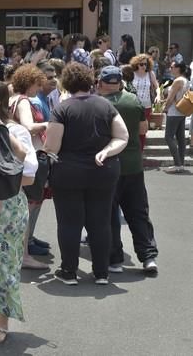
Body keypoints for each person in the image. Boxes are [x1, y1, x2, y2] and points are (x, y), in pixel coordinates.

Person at [44, 63, 129, 285]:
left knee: (69, 222)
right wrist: (105, 151)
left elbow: (52, 147)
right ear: (90, 81)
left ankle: (69, 271)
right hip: (103, 170)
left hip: (68, 172)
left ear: (67, 83)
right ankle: (101, 272)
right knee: (100, 222)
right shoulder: (106, 106)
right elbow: (122, 136)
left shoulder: (62, 109)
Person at [0, 80, 37, 346]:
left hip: (9, 207)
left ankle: (2, 322)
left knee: (5, 263)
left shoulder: (15, 132)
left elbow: (30, 175)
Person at [96, 66, 159, 275]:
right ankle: (148, 256)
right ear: (120, 81)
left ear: (102, 83)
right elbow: (143, 129)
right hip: (133, 164)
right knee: (138, 212)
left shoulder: (99, 104)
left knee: (109, 215)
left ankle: (115, 259)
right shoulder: (133, 100)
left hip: (108, 165)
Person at [9, 64, 50, 268]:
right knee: (27, 207)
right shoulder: (24, 101)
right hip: (29, 158)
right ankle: (24, 255)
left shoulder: (11, 99)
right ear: (30, 83)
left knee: (20, 208)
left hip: (17, 160)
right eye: (37, 84)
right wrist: (47, 125)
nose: (38, 89)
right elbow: (28, 126)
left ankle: (21, 252)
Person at [162, 61, 191, 173]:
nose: (170, 69)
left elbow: (170, 98)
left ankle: (177, 163)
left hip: (174, 112)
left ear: (178, 68)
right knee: (180, 138)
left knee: (169, 137)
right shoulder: (186, 80)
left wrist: (165, 108)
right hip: (182, 111)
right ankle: (181, 164)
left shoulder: (178, 81)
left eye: (172, 67)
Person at [130, 54, 158, 149]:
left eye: (145, 64)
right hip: (134, 104)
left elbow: (157, 86)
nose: (143, 66)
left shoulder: (150, 74)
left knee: (143, 130)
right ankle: (134, 148)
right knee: (133, 128)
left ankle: (140, 150)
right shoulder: (132, 73)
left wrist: (158, 95)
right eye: (141, 64)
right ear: (136, 64)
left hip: (146, 106)